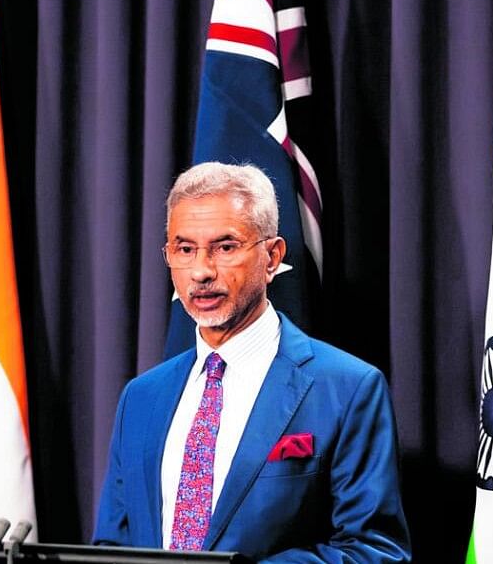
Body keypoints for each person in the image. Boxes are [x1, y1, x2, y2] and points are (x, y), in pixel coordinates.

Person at [93, 162, 410, 561]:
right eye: (184, 249)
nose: (202, 271)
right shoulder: (141, 397)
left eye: (225, 247)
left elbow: (374, 551)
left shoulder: (348, 389)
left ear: (273, 256)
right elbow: (112, 548)